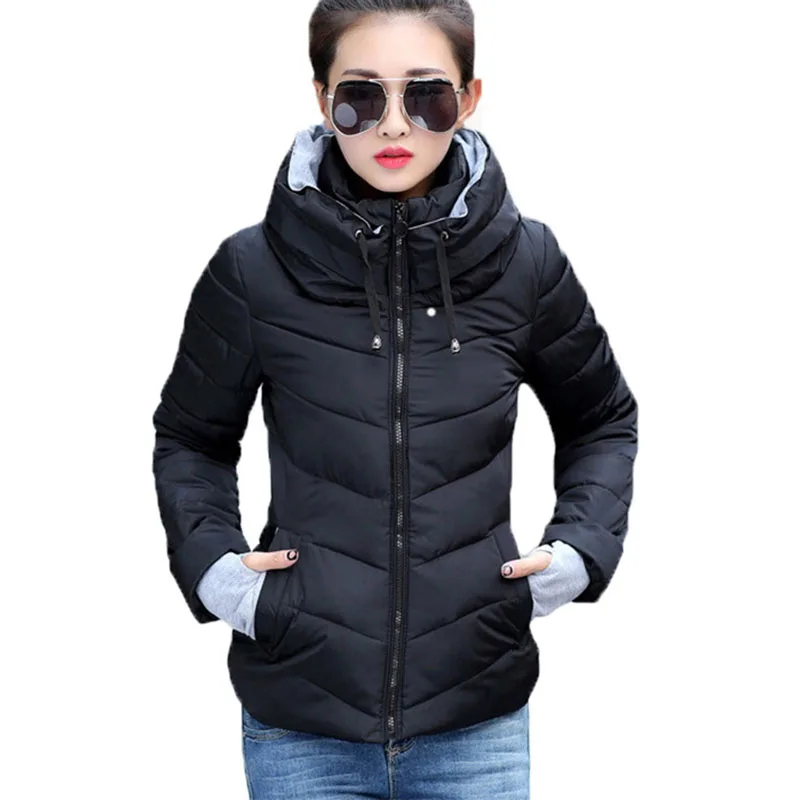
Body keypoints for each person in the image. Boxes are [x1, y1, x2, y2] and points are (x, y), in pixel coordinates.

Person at [151, 1, 638, 797]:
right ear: (322, 99)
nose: (393, 123)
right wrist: (216, 570)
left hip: (476, 718)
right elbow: (191, 438)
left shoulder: (528, 264)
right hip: (301, 719)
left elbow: (602, 420)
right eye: (360, 95)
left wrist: (579, 551)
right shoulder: (251, 271)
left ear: (469, 98)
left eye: (427, 94)